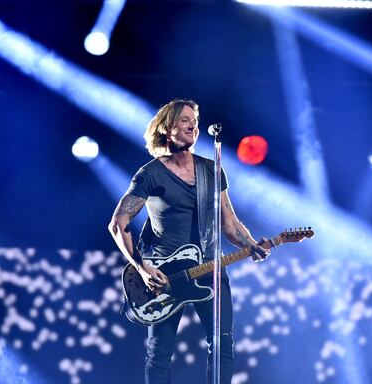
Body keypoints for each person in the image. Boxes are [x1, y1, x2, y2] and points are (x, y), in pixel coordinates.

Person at [108, 99, 270, 384]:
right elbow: (118, 225)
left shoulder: (212, 170)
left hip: (210, 269)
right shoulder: (151, 174)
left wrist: (251, 243)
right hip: (165, 275)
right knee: (160, 352)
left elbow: (228, 222)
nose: (192, 124)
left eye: (194, 120)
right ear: (167, 128)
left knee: (222, 345)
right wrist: (144, 268)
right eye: (184, 119)